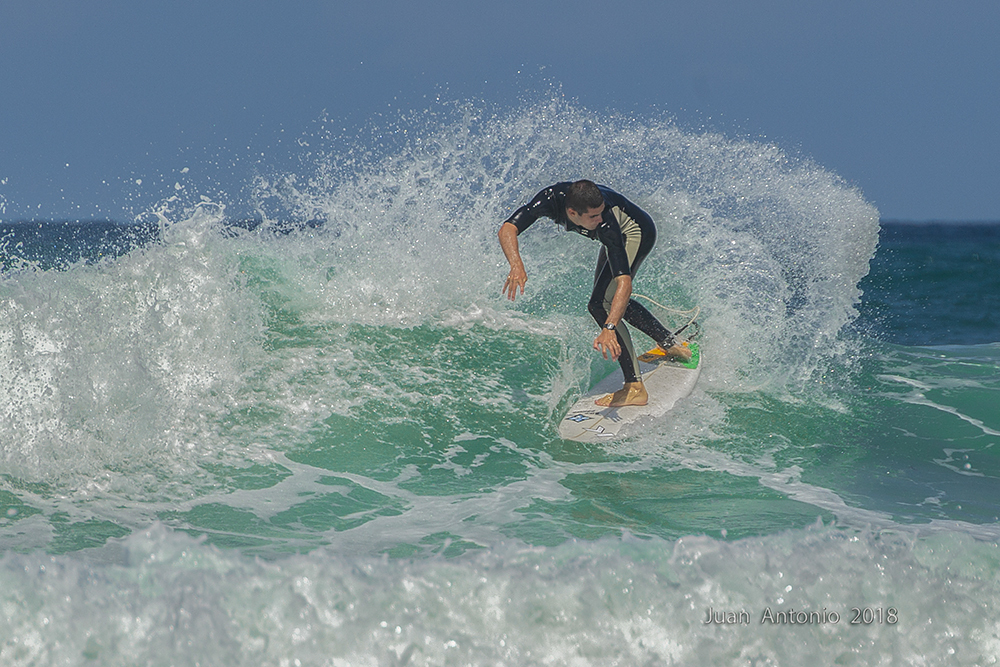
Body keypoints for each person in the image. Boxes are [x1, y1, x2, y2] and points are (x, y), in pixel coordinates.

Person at [499, 179, 692, 408]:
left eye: (601, 214)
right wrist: (516, 264)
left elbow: (624, 283)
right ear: (572, 212)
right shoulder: (550, 199)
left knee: (601, 304)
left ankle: (635, 387)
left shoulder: (607, 225)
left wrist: (609, 328)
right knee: (606, 303)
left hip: (635, 232)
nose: (599, 219)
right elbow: (508, 228)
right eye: (593, 217)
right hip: (615, 235)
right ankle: (670, 343)